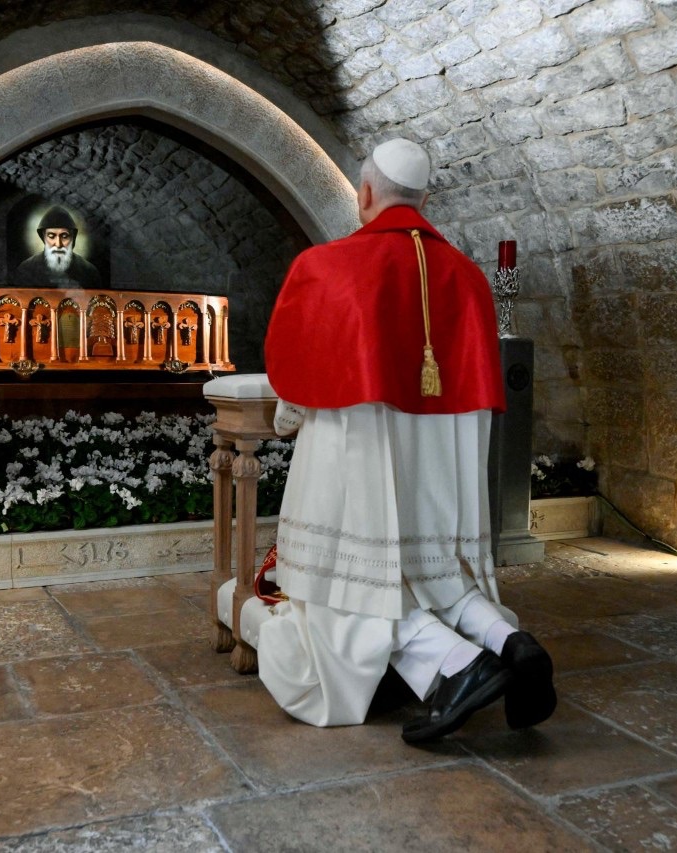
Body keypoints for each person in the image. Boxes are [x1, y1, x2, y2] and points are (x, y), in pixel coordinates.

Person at [257, 138, 556, 743]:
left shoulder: (328, 266)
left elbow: (295, 381)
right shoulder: (469, 278)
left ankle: (456, 667)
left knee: (348, 578)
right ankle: (510, 643)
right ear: (426, 199)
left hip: (362, 454)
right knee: (432, 569)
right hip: (441, 463)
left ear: (366, 194)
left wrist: (289, 420)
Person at [10, 206, 102, 288]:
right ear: (43, 238)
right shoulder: (26, 269)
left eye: (64, 236)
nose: (58, 244)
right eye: (51, 236)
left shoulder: (89, 271)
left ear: (72, 238)